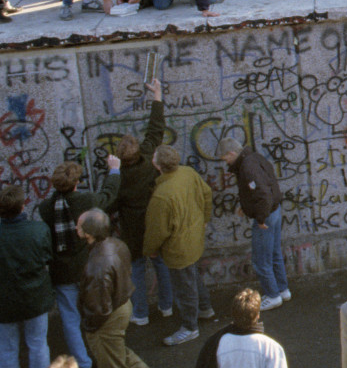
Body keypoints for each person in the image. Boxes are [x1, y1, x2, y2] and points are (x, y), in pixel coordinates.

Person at [72, 208, 169, 368]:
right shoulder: (117, 244)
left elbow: (99, 308)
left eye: (79, 226)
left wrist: (90, 328)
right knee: (120, 354)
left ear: (88, 233)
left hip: (107, 318)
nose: (76, 228)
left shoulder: (96, 265)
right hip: (122, 306)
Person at [37, 159, 121, 368]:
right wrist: (114, 170)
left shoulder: (45, 207)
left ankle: (83, 364)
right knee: (97, 313)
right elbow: (108, 194)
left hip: (62, 272)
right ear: (77, 182)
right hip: (87, 268)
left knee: (70, 318)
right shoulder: (86, 200)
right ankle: (103, 358)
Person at [107, 78, 171, 325]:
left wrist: (112, 171)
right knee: (161, 265)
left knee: (136, 271)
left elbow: (109, 203)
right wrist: (157, 94)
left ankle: (141, 313)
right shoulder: (147, 158)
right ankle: (166, 306)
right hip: (153, 224)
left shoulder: (118, 177)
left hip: (132, 231)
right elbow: (156, 129)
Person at [142, 143, 214, 345]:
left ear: (157, 165)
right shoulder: (188, 173)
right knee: (193, 275)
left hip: (177, 248)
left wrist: (150, 250)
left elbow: (157, 230)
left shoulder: (161, 195)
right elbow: (207, 193)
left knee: (184, 287)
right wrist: (205, 218)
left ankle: (190, 327)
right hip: (194, 236)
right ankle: (205, 308)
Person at [217, 138, 288, 310]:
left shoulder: (247, 167)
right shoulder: (254, 158)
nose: (225, 162)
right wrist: (246, 207)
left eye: (225, 158)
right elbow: (264, 187)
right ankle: (283, 290)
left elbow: (262, 194)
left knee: (260, 260)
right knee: (274, 253)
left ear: (232, 153)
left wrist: (260, 218)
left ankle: (272, 295)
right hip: (275, 210)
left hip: (266, 216)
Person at [0, 185, 53, 368]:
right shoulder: (38, 230)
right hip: (35, 298)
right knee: (38, 345)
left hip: (4, 302)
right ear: (23, 206)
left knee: (6, 349)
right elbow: (48, 258)